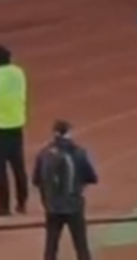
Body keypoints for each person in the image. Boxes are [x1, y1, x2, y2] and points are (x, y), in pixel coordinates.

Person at [33, 120, 97, 260]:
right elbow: (91, 177)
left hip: (52, 207)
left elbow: (36, 180)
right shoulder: (79, 153)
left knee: (51, 247)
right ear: (69, 133)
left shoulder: (43, 154)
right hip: (74, 205)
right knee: (81, 246)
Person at [0, 45, 28, 216]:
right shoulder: (18, 73)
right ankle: (22, 202)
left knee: (1, 170)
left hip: (1, 127)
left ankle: (3, 206)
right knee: (18, 166)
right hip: (17, 124)